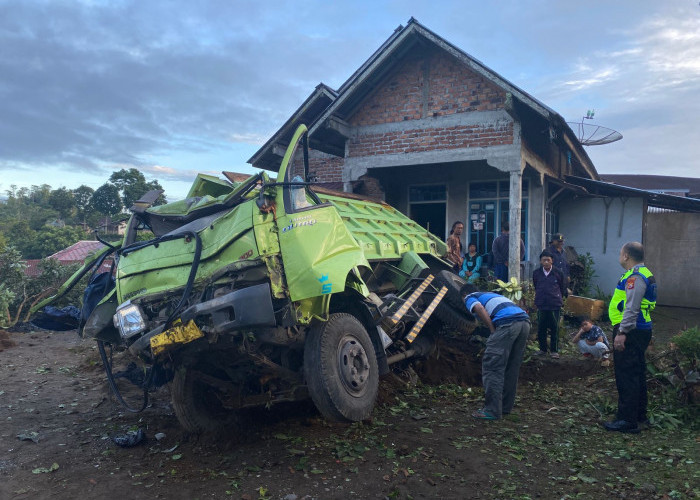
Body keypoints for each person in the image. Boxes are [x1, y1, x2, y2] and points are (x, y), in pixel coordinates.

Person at [604, 242, 657, 434]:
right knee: (637, 372)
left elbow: (632, 308)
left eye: (620, 253)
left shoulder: (636, 277)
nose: (619, 257)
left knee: (627, 374)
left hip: (631, 331)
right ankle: (639, 415)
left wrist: (622, 333)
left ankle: (627, 420)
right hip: (638, 330)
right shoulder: (643, 273)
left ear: (626, 255)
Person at [462, 284, 531, 420]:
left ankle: (492, 411)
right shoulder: (494, 296)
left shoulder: (470, 296)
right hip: (524, 323)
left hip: (507, 324)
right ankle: (505, 407)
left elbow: (479, 308)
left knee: (492, 367)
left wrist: (492, 330)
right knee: (511, 367)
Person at [532, 250, 567, 359]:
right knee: (541, 328)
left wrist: (559, 299)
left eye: (548, 260)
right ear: (540, 261)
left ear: (552, 261)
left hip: (554, 304)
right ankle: (542, 349)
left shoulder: (558, 273)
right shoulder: (536, 273)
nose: (546, 262)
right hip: (541, 304)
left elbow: (562, 288)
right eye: (544, 260)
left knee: (554, 328)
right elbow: (535, 285)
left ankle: (554, 350)